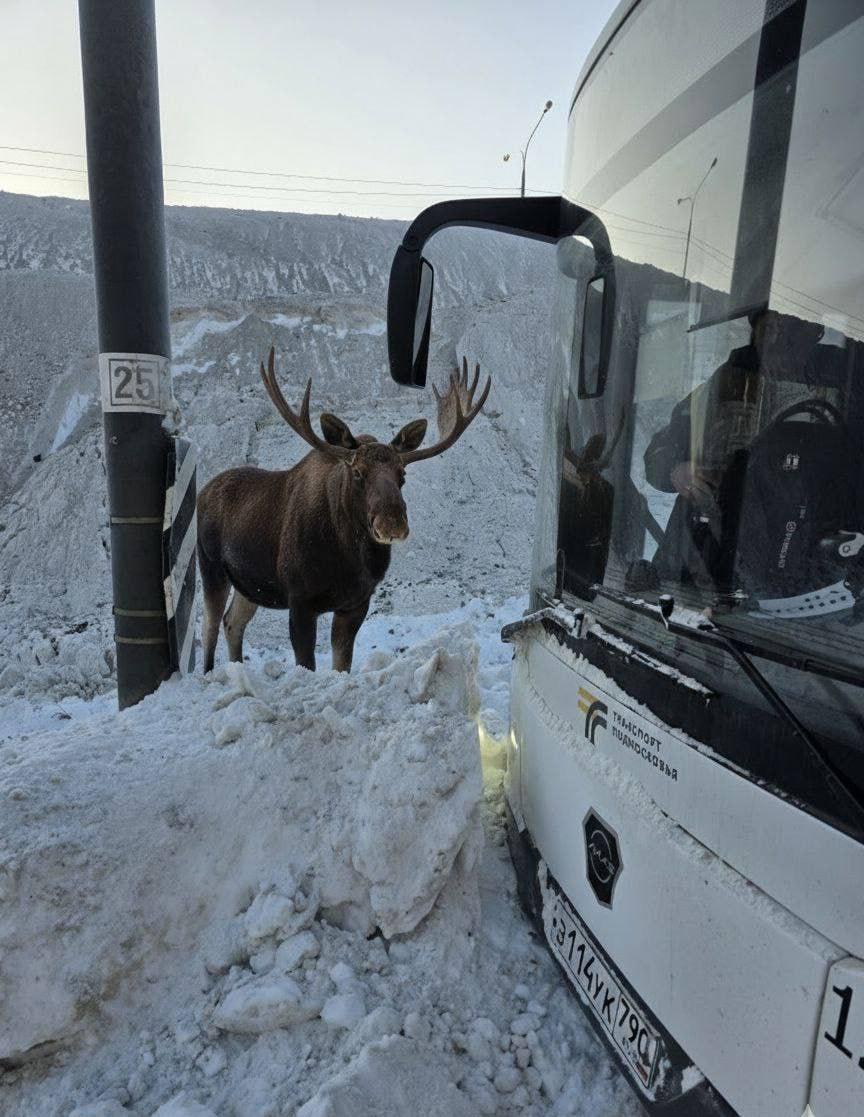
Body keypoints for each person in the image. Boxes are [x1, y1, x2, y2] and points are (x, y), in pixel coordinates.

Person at [643, 308, 826, 591]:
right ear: (755, 330)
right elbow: (659, 452)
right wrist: (675, 469)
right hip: (693, 564)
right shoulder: (725, 384)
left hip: (795, 578)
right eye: (771, 328)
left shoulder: (840, 388)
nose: (778, 340)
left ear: (814, 333)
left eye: (791, 329)